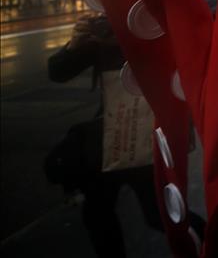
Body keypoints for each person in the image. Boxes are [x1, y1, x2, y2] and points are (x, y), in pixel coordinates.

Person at [44, 14, 166, 257]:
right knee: (98, 212)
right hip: (111, 136)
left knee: (159, 214)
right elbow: (58, 72)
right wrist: (74, 45)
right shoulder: (106, 33)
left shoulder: (155, 24)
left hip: (149, 136)